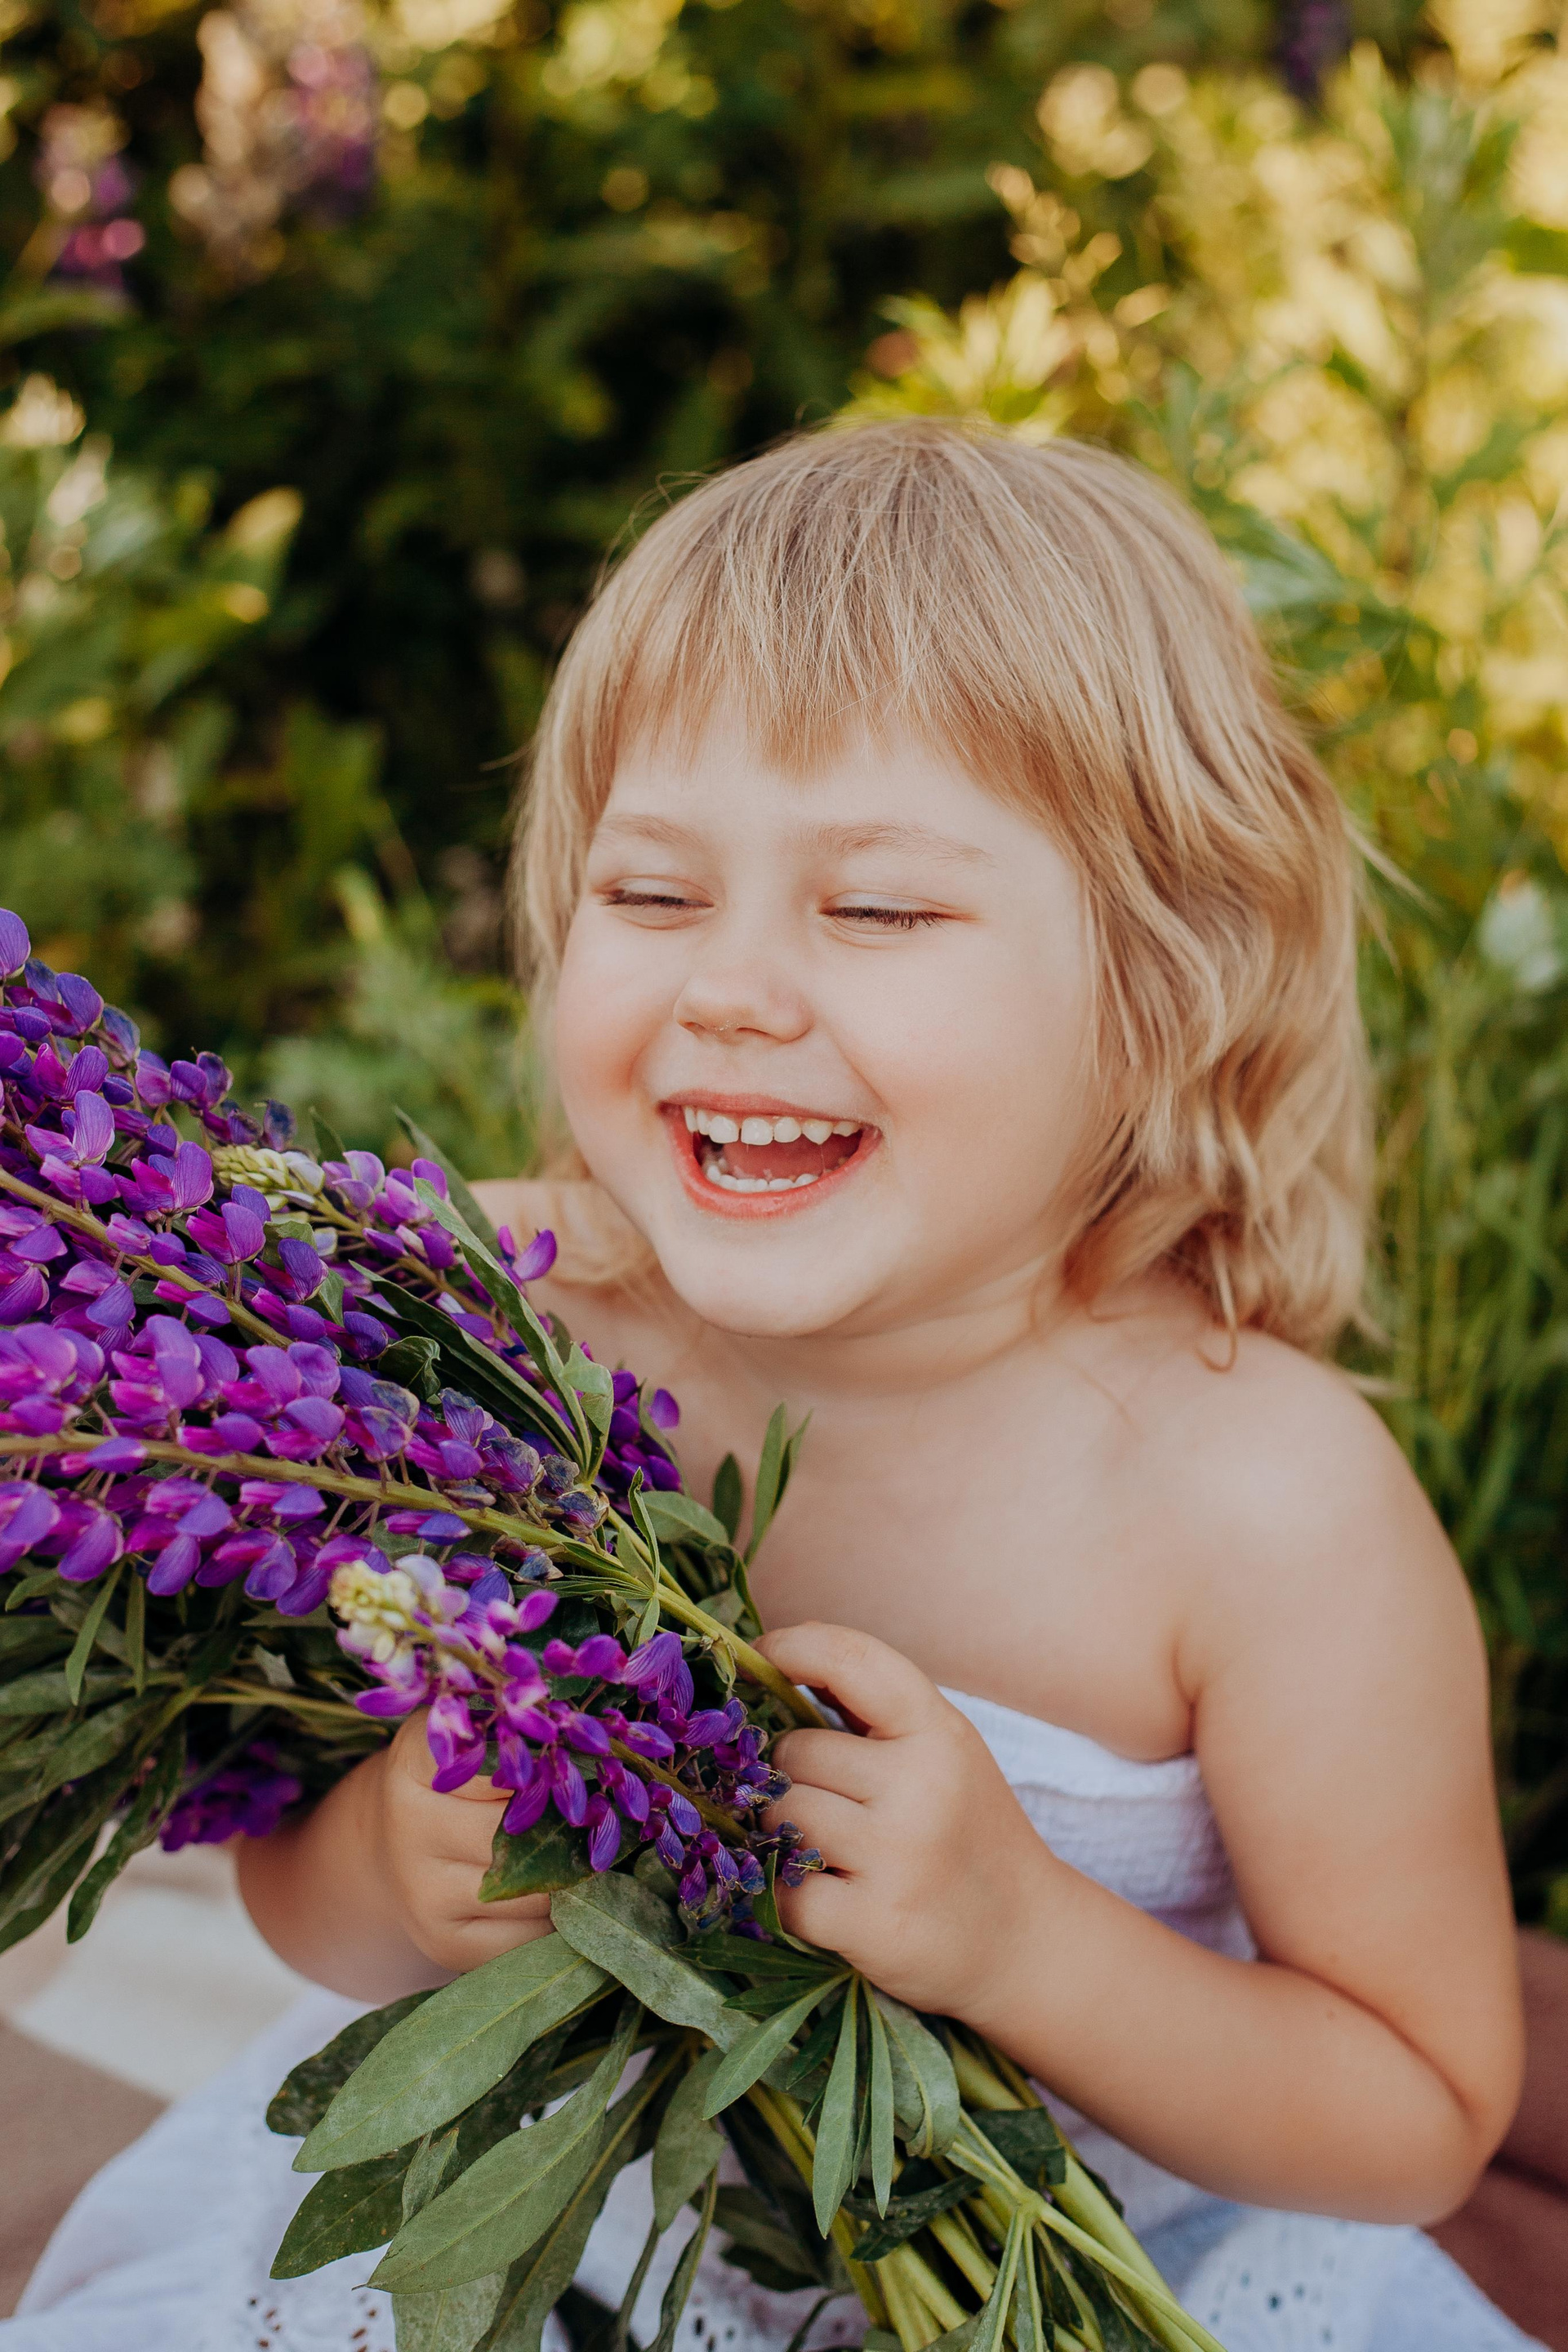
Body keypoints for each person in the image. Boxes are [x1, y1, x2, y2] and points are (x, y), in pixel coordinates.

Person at [5, 421, 1548, 2352]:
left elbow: (1420, 2106)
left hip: (1083, 2292)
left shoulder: (1263, 1502)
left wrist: (1025, 1942)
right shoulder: (484, 1323)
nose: (730, 988)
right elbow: (289, 1880)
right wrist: (393, 1870)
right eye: (654, 896)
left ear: (1166, 986)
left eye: (876, 909)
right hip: (527, 2255)